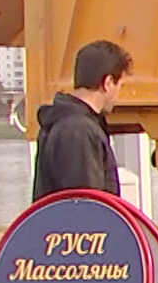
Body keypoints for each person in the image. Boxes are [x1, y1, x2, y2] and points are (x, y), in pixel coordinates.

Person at [31, 40, 132, 200]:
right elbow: (85, 206)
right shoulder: (79, 131)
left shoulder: (66, 122)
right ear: (108, 83)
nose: (118, 95)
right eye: (119, 85)